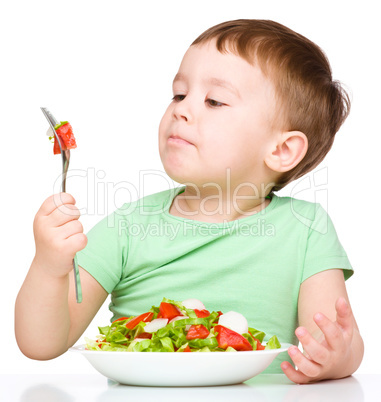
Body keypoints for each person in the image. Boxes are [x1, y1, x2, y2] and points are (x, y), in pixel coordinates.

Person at [15, 19, 364, 383]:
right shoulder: (128, 226)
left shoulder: (306, 229)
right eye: (179, 94)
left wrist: (337, 357)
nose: (181, 110)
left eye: (214, 100)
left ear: (281, 150)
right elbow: (41, 344)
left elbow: (338, 340)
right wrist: (48, 266)